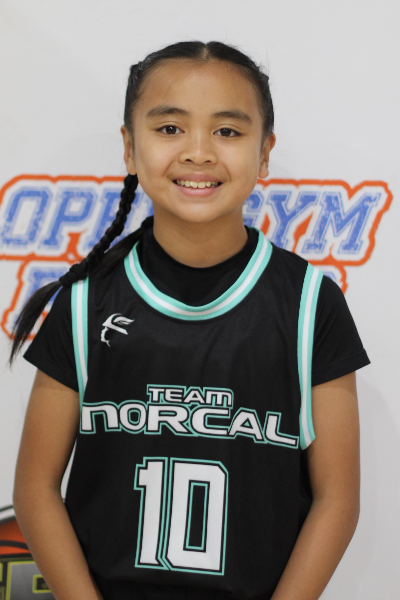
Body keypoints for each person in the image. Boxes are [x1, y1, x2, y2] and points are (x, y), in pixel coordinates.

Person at [10, 41, 370, 600]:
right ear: (129, 148)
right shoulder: (85, 303)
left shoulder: (308, 303)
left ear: (265, 153)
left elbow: (337, 499)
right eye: (170, 129)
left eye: (227, 131)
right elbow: (35, 488)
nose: (198, 153)